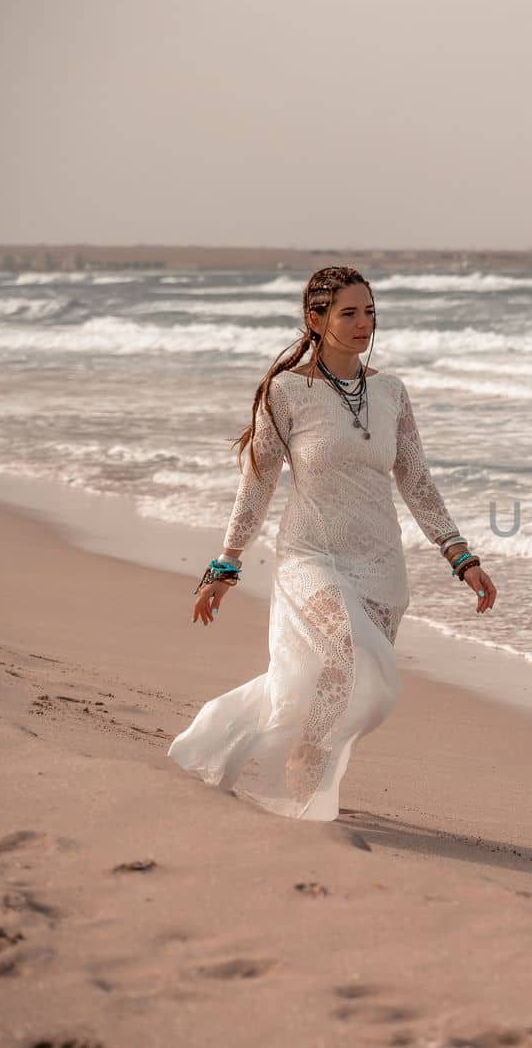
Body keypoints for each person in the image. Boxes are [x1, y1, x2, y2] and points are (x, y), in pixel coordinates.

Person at [168, 265, 495, 820]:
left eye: (369, 311)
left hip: (381, 564)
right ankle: (306, 756)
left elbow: (415, 480)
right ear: (315, 319)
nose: (363, 323)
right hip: (309, 555)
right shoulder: (287, 392)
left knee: (347, 682)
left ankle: (277, 743)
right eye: (349, 312)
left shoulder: (391, 392)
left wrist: (458, 554)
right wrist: (225, 566)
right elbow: (259, 482)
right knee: (348, 655)